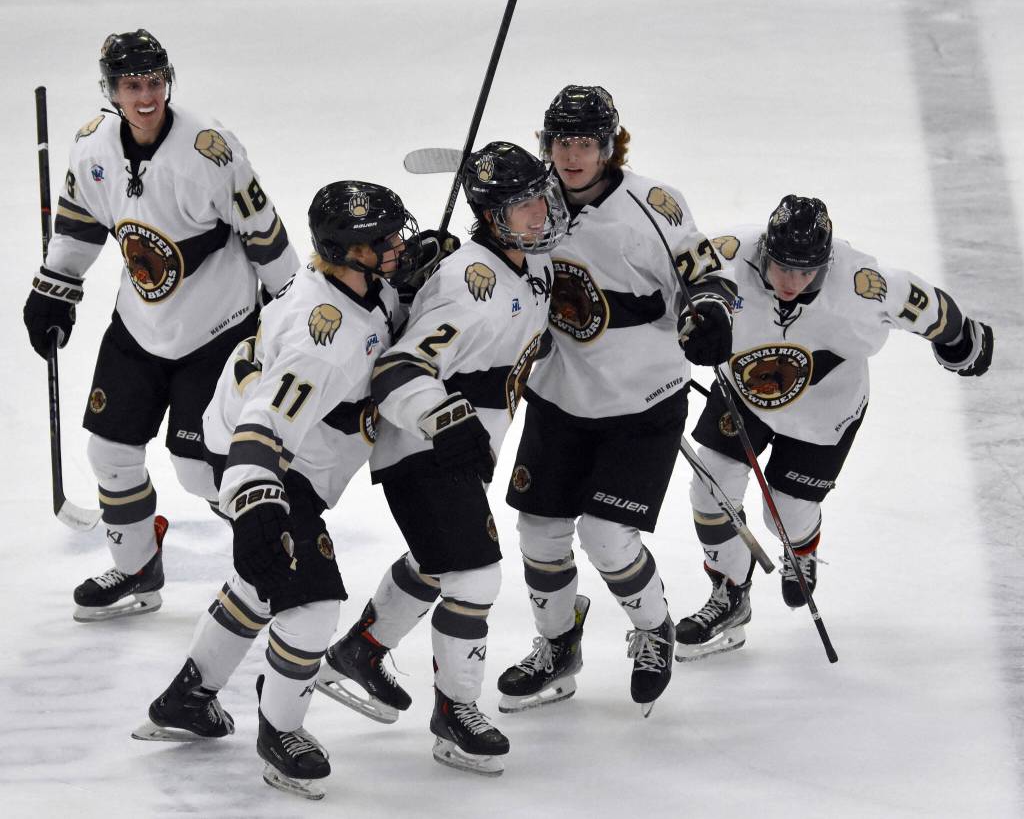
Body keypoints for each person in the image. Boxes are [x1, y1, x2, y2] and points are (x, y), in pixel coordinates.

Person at [132, 181, 424, 800]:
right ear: (347, 251)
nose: (396, 246)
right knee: (312, 604)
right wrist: (259, 503)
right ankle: (280, 731)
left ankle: (188, 696)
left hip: (253, 454)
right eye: (383, 241)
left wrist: (414, 273)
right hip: (262, 467)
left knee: (262, 584)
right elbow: (263, 422)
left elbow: (382, 310)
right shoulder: (325, 340)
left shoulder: (349, 287)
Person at [21, 29, 297, 622]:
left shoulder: (211, 149)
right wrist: (53, 289)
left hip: (217, 331)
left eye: (153, 84)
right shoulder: (92, 147)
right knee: (109, 453)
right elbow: (79, 224)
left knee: (202, 472)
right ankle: (139, 567)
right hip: (138, 327)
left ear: (167, 83)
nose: (144, 98)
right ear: (112, 91)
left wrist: (290, 316)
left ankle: (281, 558)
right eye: (130, 86)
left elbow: (267, 237)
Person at [315, 141, 568, 777]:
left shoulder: (529, 263)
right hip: (423, 448)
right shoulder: (469, 284)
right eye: (522, 206)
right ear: (490, 215)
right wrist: (445, 422)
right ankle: (455, 712)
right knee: (475, 576)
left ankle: (362, 650)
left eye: (541, 197)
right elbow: (398, 369)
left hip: (458, 445)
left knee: (437, 561)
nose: (540, 213)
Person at [494, 85, 735, 718]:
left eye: (586, 144)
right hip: (559, 394)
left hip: (642, 401)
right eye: (561, 143)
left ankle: (652, 630)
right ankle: (557, 647)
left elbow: (706, 275)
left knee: (606, 534)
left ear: (609, 146)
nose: (572, 156)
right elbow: (490, 248)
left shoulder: (653, 205)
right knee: (540, 531)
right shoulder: (531, 198)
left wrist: (709, 311)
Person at [674, 195, 994, 660]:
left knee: (782, 513)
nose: (791, 282)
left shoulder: (862, 287)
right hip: (745, 393)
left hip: (825, 413)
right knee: (710, 490)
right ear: (765, 249)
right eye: (783, 267)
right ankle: (729, 592)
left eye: (805, 272)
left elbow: (928, 306)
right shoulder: (728, 251)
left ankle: (800, 548)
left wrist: (963, 341)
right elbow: (670, 284)